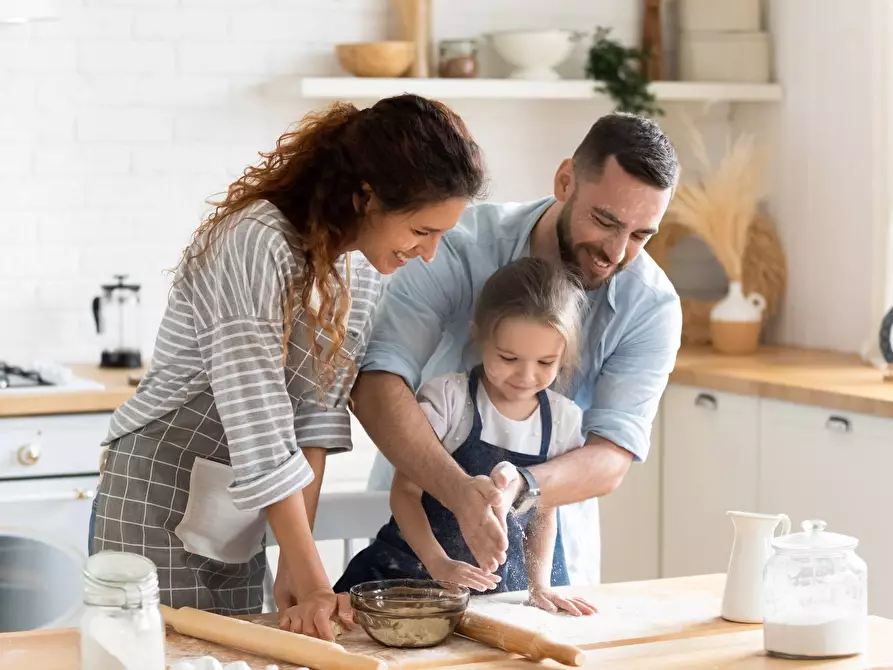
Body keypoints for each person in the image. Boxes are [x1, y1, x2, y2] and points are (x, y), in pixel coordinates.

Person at [88, 93, 487, 641]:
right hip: (155, 493)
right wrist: (312, 573)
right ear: (368, 196)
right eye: (421, 231)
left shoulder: (362, 272)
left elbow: (316, 420)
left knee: (237, 656)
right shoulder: (256, 242)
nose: (428, 253)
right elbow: (259, 420)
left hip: (243, 506)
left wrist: (298, 566)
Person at [354, 112, 682, 586]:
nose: (615, 251)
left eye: (639, 235)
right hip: (411, 539)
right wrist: (460, 492)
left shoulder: (651, 307)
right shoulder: (459, 243)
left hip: (542, 560)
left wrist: (521, 488)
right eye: (605, 221)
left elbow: (611, 457)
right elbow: (377, 381)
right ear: (565, 181)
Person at [335, 258, 597, 616]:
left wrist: (539, 587)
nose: (525, 375)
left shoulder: (564, 420)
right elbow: (405, 495)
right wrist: (438, 564)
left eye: (545, 362)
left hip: (492, 597)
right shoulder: (448, 400)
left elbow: (544, 512)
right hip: (408, 582)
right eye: (508, 357)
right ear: (480, 335)